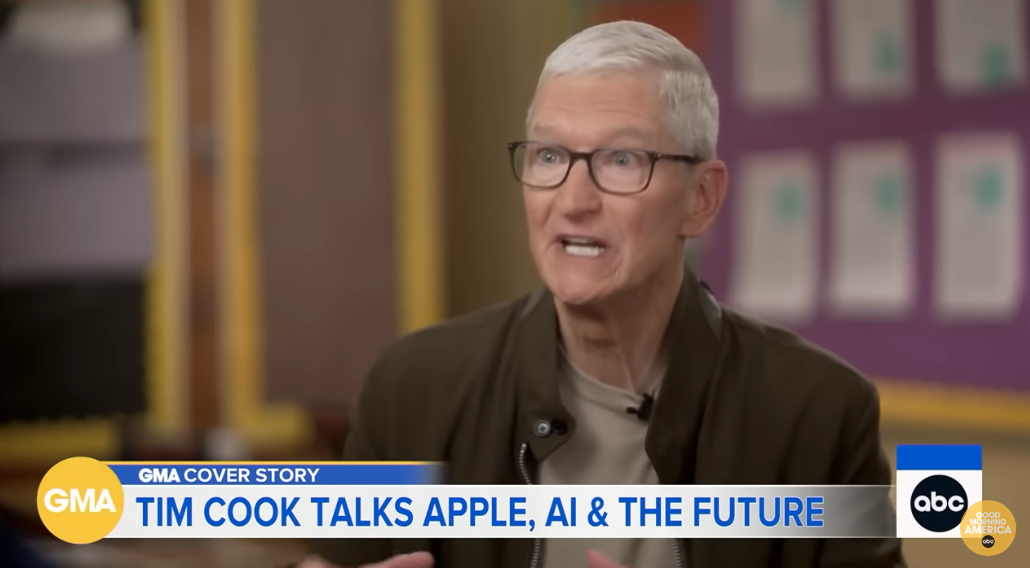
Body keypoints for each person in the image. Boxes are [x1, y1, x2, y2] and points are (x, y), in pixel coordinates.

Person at [300, 20, 904, 568]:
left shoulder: (821, 413)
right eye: (549, 155)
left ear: (701, 199)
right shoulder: (412, 389)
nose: (573, 200)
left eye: (620, 159)